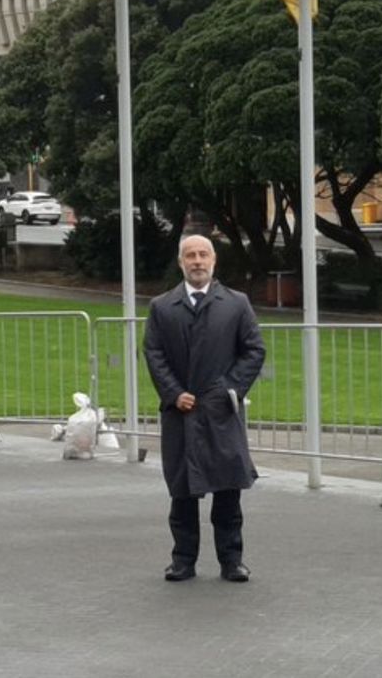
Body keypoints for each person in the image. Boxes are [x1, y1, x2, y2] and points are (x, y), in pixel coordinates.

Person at [143, 234, 266, 583]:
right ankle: (183, 560)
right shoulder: (162, 306)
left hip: (220, 413)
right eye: (190, 255)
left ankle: (232, 561)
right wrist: (173, 392)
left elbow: (254, 350)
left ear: (214, 260)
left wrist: (230, 389)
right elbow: (154, 353)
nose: (197, 261)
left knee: (228, 492)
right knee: (182, 493)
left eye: (203, 255)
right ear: (181, 262)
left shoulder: (236, 303)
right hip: (180, 415)